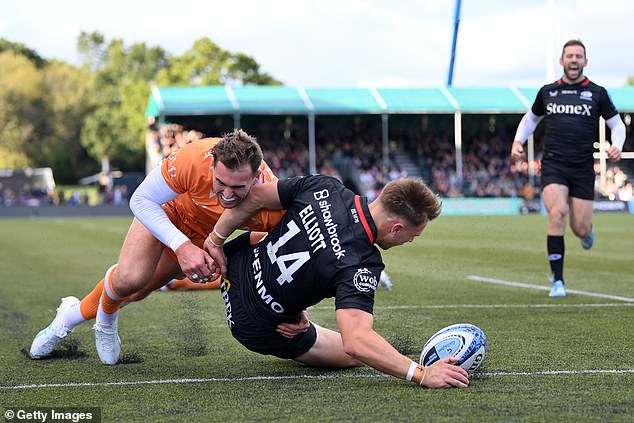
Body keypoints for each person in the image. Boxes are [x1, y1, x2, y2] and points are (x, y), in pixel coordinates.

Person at [30, 129, 306, 364]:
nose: (227, 194)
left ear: (257, 176)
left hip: (203, 236)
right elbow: (141, 200)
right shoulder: (194, 159)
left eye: (238, 187)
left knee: (137, 291)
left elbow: (280, 253)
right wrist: (181, 246)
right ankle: (93, 323)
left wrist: (298, 309)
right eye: (220, 182)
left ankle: (70, 312)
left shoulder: (271, 201)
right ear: (211, 165)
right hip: (168, 212)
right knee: (129, 277)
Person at [204, 174, 470, 389]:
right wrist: (422, 374)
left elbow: (255, 195)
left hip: (235, 260)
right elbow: (356, 342)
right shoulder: (363, 262)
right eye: (412, 236)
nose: (409, 242)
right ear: (396, 228)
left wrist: (216, 239)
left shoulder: (326, 186)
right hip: (253, 322)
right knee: (354, 356)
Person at [511, 39, 626, 297]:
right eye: (569, 56)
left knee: (580, 228)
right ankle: (558, 282)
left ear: (585, 61)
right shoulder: (548, 92)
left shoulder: (597, 93)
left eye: (578, 56)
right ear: (561, 61)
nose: (574, 60)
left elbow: (617, 125)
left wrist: (617, 144)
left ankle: (587, 234)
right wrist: (518, 141)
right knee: (557, 213)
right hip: (554, 165)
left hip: (583, 168)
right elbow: (531, 119)